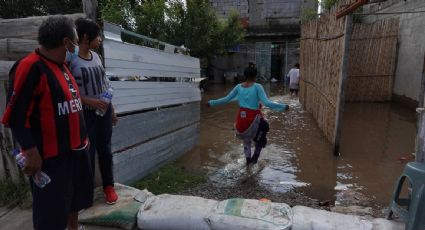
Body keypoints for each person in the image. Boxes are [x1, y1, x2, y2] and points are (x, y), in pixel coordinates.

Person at [2, 16, 93, 230]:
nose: (76, 45)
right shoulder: (30, 67)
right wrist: (31, 151)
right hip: (52, 159)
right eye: (75, 40)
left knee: (75, 200)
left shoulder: (63, 65)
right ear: (65, 42)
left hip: (76, 150)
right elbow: (16, 116)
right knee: (50, 213)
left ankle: (74, 228)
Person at [68, 18, 118, 205]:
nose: (100, 41)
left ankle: (109, 187)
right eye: (98, 37)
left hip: (103, 114)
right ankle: (84, 194)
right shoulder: (71, 60)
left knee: (105, 150)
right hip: (85, 115)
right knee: (86, 155)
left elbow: (106, 86)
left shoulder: (96, 57)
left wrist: (111, 110)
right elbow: (69, 93)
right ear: (86, 37)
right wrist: (92, 102)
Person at [207, 67, 288, 165]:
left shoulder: (238, 87)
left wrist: (211, 103)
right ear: (255, 76)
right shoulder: (257, 86)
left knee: (246, 141)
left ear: (245, 76)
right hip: (254, 118)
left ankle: (248, 162)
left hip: (241, 119)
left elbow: (226, 99)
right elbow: (267, 103)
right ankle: (255, 159)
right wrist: (283, 107)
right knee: (261, 136)